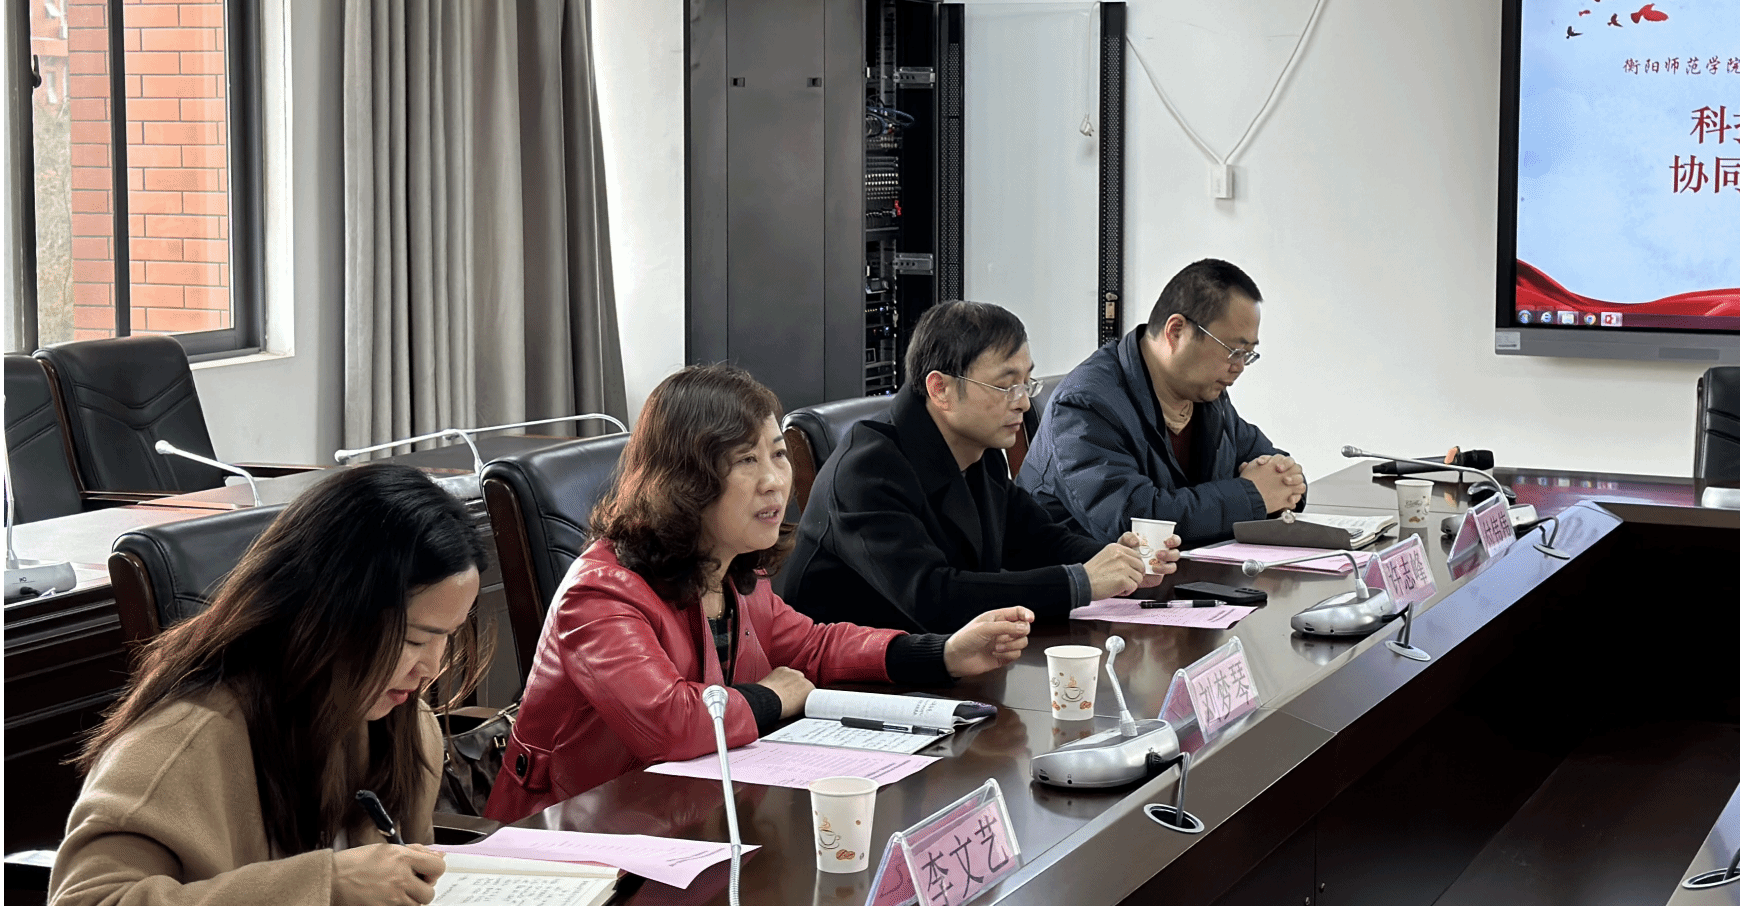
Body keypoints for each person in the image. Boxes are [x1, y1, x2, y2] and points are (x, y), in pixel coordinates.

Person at [26, 463, 488, 906]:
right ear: (329, 612)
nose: (432, 667)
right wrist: (327, 886)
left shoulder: (400, 724)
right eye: (415, 639)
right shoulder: (182, 743)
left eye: (447, 637)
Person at [487, 363, 1032, 823]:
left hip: (686, 820)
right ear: (684, 479)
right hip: (569, 842)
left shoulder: (732, 568)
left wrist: (943, 652)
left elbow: (814, 647)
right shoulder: (600, 593)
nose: (775, 480)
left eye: (777, 454)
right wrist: (773, 696)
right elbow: (670, 724)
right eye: (747, 461)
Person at [781, 301, 1175, 632]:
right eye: (1006, 386)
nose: (1023, 402)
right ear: (940, 389)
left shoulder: (976, 448)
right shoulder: (867, 471)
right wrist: (1081, 582)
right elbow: (934, 597)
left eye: (1027, 383)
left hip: (954, 661)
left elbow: (1035, 540)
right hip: (861, 681)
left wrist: (1120, 561)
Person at [1019, 258, 1308, 547]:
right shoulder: (1085, 406)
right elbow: (1136, 523)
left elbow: (1272, 467)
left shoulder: (1206, 396)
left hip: (1179, 568)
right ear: (1176, 331)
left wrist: (1285, 483)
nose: (1240, 366)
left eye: (1248, 354)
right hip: (1083, 571)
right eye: (1234, 350)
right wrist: (1254, 496)